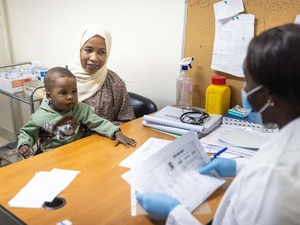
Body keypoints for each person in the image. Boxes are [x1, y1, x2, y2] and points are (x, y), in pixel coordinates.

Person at [136, 23, 300, 224]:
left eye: (248, 81)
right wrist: (237, 166)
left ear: (270, 95)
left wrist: (174, 213)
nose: (245, 90)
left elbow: (275, 173)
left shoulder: (272, 177)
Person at [17, 67, 136, 159]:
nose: (71, 97)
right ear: (49, 96)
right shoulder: (39, 116)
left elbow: (98, 122)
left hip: (77, 152)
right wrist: (24, 144)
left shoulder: (81, 109)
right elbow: (27, 132)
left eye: (74, 91)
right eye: (63, 93)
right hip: (51, 156)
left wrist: (116, 132)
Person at [67, 23, 135, 126]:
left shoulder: (114, 82)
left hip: (103, 140)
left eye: (101, 52)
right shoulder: (60, 79)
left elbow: (128, 121)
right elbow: (45, 120)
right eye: (88, 50)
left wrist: (99, 131)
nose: (94, 58)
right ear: (79, 49)